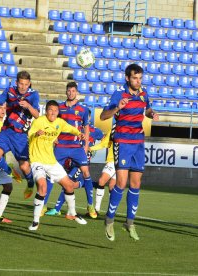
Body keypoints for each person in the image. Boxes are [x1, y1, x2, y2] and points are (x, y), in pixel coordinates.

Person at [100, 63, 159, 241]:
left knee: (136, 183)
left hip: (138, 142)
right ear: (127, 78)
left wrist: (151, 114)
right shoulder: (119, 94)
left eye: (140, 78)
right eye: (135, 78)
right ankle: (109, 221)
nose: (138, 81)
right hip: (122, 141)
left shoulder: (143, 94)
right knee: (121, 182)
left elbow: (146, 108)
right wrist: (118, 107)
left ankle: (129, 223)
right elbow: (103, 116)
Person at [27, 100, 87, 231]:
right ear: (46, 111)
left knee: (69, 185)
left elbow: (71, 129)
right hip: (37, 161)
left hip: (51, 161)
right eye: (50, 110)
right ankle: (35, 221)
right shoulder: (39, 121)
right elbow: (30, 133)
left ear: (58, 112)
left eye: (55, 110)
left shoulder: (59, 123)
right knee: (42, 187)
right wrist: (36, 133)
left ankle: (73, 213)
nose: (53, 112)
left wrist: (79, 134)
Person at [0, 71, 39, 199]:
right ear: (16, 83)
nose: (23, 87)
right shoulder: (10, 90)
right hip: (6, 131)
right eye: (21, 84)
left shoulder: (33, 95)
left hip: (20, 136)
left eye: (26, 84)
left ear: (29, 84)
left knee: (24, 166)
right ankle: (9, 171)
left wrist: (28, 106)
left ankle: (30, 182)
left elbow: (37, 115)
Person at [53, 82, 97, 219]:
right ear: (66, 92)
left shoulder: (83, 109)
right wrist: (54, 138)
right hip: (61, 146)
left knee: (85, 172)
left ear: (76, 92)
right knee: (51, 173)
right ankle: (44, 205)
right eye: (69, 91)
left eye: (73, 91)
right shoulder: (60, 108)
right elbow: (54, 124)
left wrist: (86, 145)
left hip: (77, 147)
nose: (71, 93)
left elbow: (86, 127)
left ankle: (90, 205)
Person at [89, 126, 117, 214]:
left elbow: (104, 144)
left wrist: (90, 148)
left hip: (114, 161)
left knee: (101, 181)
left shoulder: (116, 128)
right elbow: (105, 143)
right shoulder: (115, 128)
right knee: (112, 187)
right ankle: (111, 212)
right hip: (121, 162)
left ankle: (96, 210)